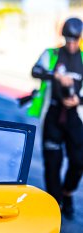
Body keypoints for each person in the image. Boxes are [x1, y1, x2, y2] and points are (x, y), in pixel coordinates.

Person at [28, 16, 83, 220]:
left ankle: (67, 193)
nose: (70, 43)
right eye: (67, 39)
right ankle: (56, 204)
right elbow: (35, 71)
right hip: (52, 114)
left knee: (78, 161)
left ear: (79, 38)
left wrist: (78, 100)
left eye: (74, 39)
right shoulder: (51, 54)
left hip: (73, 115)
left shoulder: (82, 58)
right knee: (53, 163)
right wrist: (55, 76)